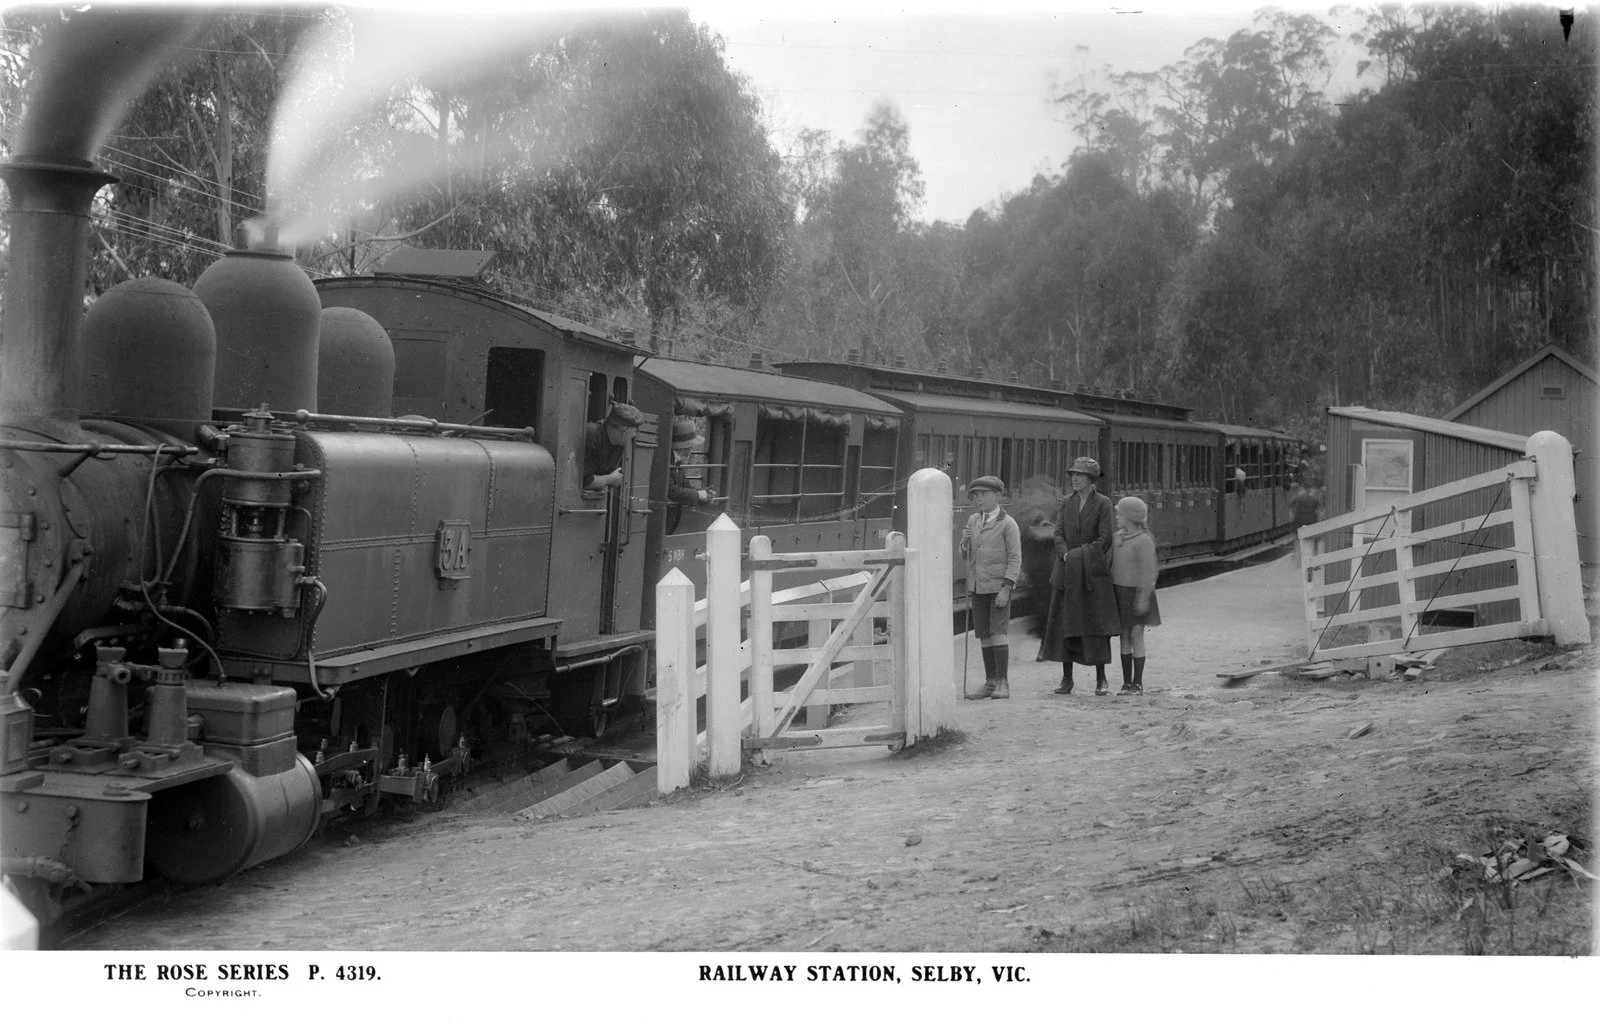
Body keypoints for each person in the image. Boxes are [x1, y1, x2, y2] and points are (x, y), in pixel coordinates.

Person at [1039, 456, 1120, 695]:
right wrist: (1066, 556)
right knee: (1065, 625)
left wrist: (1077, 556)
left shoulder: (1103, 503)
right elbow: (1058, 534)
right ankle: (1067, 679)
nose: (1074, 478)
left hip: (1091, 574)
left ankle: (1101, 679)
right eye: (1072, 474)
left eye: (1080, 475)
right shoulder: (1066, 502)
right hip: (1065, 573)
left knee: (1095, 627)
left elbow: (1106, 539)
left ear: (1090, 479)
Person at [960, 476, 1022, 701]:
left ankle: (1003, 683)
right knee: (984, 635)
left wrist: (1006, 588)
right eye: (976, 495)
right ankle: (990, 682)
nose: (979, 499)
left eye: (984, 494)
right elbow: (966, 556)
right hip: (977, 587)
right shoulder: (974, 521)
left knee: (998, 633)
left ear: (997, 496)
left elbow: (1015, 558)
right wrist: (965, 542)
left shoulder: (1008, 524)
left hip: (998, 587)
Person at [1111, 494, 1161, 695]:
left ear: (1130, 517)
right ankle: (1126, 683)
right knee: (1124, 636)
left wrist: (1142, 599)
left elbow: (1149, 572)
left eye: (1119, 514)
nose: (1116, 518)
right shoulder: (1118, 538)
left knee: (1136, 635)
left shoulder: (1144, 541)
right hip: (1120, 593)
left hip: (1138, 593)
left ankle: (1137, 683)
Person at [583, 402, 642, 491]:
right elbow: (583, 481)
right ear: (625, 431)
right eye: (635, 431)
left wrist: (605, 480)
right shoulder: (591, 435)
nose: (634, 435)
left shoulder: (619, 442)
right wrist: (610, 479)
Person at [666, 416, 712, 506]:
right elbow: (670, 490)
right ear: (685, 445)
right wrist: (698, 494)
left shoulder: (677, 461)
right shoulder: (669, 462)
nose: (692, 447)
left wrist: (702, 494)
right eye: (691, 444)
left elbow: (685, 486)